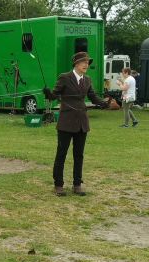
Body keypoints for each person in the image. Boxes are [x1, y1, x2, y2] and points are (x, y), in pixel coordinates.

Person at [43, 52, 109, 196]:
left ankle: (77, 184)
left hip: (82, 123)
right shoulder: (65, 77)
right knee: (61, 154)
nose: (87, 65)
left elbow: (92, 96)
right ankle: (58, 185)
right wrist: (48, 94)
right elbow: (55, 95)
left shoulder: (87, 79)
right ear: (76, 64)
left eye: (88, 62)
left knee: (79, 155)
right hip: (66, 122)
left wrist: (103, 103)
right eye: (84, 62)